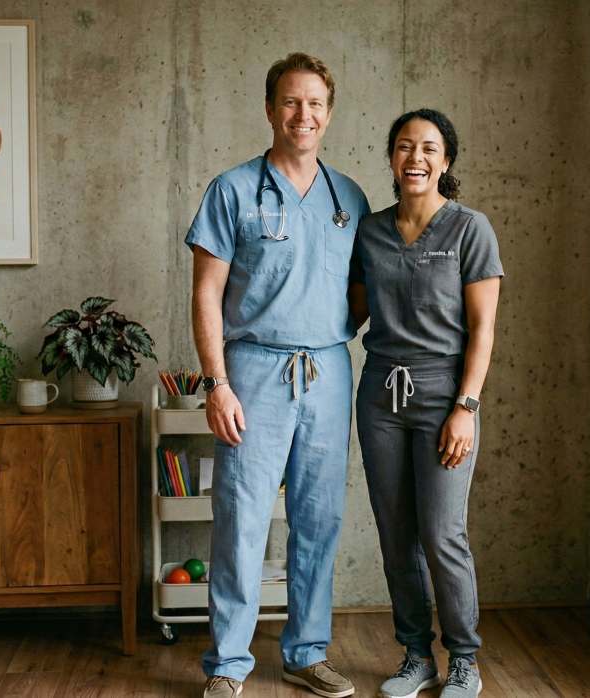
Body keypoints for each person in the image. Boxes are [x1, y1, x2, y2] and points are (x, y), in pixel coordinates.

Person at [185, 52, 371, 698]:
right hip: (254, 373)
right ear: (269, 109)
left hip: (327, 372)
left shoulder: (348, 197)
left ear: (329, 112)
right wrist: (216, 383)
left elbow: (360, 290)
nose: (303, 115)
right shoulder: (231, 190)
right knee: (241, 519)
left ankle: (305, 652)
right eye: (291, 102)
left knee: (318, 520)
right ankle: (229, 665)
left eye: (315, 103)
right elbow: (205, 295)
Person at [348, 108, 503, 698]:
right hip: (381, 393)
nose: (416, 158)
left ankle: (464, 658)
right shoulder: (371, 231)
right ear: (391, 157)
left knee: (442, 533)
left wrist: (467, 404)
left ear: (447, 161)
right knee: (396, 533)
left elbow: (483, 329)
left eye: (429, 148)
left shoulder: (470, 229)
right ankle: (416, 656)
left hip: (444, 394)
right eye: (405, 147)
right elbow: (352, 312)